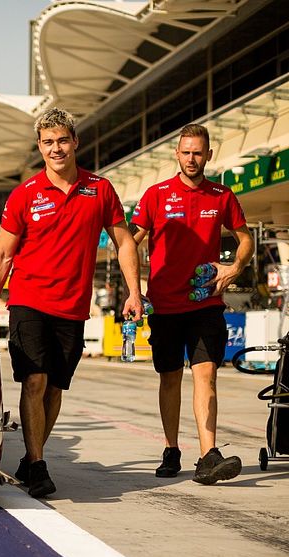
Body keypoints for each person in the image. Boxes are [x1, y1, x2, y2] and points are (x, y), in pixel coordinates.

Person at [0, 107, 142, 498]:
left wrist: (135, 292)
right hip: (29, 301)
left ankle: (33, 456)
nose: (56, 148)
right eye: (48, 142)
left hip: (72, 308)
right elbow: (2, 255)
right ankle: (37, 465)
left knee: (55, 389)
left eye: (62, 140)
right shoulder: (25, 194)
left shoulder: (100, 190)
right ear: (40, 147)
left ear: (75, 142)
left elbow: (124, 243)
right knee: (35, 379)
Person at [132, 123, 253, 485]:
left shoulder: (221, 196)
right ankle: (171, 449)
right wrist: (133, 285)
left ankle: (208, 455)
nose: (191, 158)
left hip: (206, 303)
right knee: (170, 379)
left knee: (207, 375)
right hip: (165, 306)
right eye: (185, 152)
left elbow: (244, 238)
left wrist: (235, 267)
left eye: (198, 152)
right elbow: (128, 241)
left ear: (209, 155)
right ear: (177, 154)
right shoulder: (155, 195)